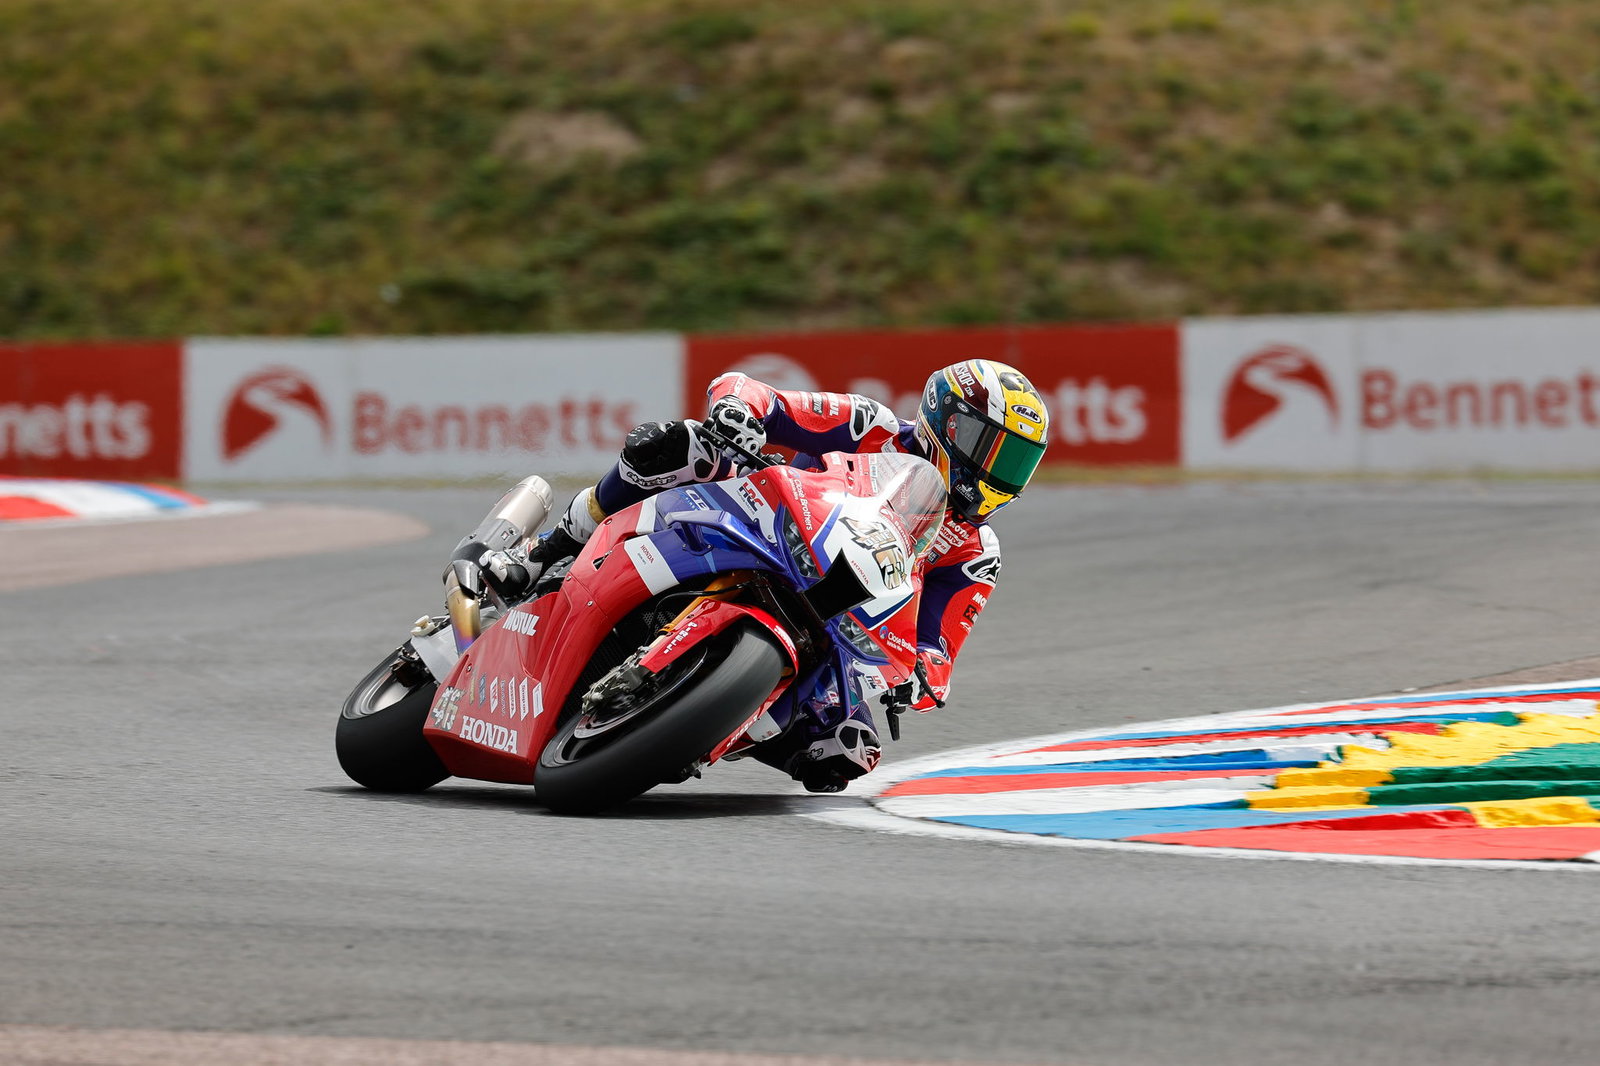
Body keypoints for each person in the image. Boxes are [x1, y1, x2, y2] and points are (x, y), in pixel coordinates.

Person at [465, 359, 1052, 793]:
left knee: (843, 753)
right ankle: (546, 552)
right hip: (763, 523)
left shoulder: (975, 552)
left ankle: (692, 728)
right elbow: (756, 394)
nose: (999, 472)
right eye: (991, 448)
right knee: (676, 445)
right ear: (947, 421)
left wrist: (915, 679)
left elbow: (938, 653)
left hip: (838, 620)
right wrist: (736, 413)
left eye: (1017, 463)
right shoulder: (872, 426)